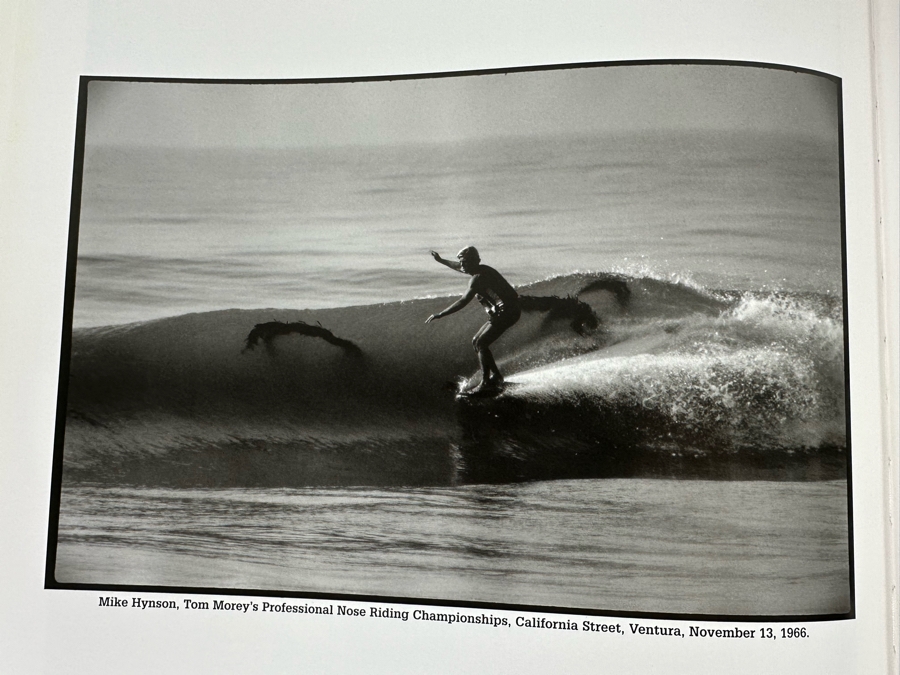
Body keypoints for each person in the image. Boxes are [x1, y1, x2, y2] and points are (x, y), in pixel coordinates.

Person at [425, 247, 521, 394]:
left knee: (482, 342)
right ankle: (496, 377)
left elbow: (463, 301)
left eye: (465, 263)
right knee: (476, 341)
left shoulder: (478, 277)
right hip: (503, 312)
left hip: (507, 312)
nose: (462, 266)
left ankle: (486, 382)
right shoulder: (477, 268)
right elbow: (459, 266)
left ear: (475, 262)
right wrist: (441, 260)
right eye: (461, 262)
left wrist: (441, 314)